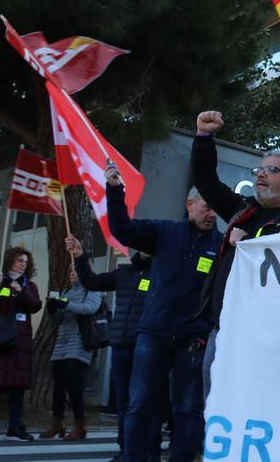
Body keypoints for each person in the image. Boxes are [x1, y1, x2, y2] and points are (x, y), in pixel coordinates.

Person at [191, 110, 280, 394]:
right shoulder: (243, 211)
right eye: (259, 170)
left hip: (267, 335)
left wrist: (250, 244)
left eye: (271, 170)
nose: (261, 174)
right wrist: (203, 137)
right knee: (215, 413)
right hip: (223, 329)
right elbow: (206, 182)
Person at [106, 162, 220, 462]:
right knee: (140, 403)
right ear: (190, 204)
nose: (212, 214)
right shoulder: (163, 232)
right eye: (207, 207)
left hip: (193, 340)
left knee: (187, 408)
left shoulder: (223, 246)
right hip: (153, 335)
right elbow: (123, 229)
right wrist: (115, 191)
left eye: (216, 209)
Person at [68, 236, 157, 462]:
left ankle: (149, 452)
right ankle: (126, 450)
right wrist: (80, 257)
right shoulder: (125, 273)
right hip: (120, 346)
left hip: (146, 347)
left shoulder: (163, 274)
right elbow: (93, 282)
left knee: (145, 403)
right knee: (124, 404)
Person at [0, 247, 41, 442]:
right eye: (19, 261)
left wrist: (22, 292)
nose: (23, 264)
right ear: (9, 262)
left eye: (25, 261)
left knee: (18, 385)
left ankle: (15, 426)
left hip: (19, 340)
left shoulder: (28, 285)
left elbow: (35, 305)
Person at [40, 263, 103, 442]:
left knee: (74, 385)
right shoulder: (67, 291)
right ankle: (57, 422)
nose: (73, 273)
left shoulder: (92, 290)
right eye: (71, 271)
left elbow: (89, 308)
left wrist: (66, 304)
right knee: (58, 384)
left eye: (76, 270)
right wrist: (53, 309)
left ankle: (79, 424)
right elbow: (58, 319)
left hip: (80, 342)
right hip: (62, 342)